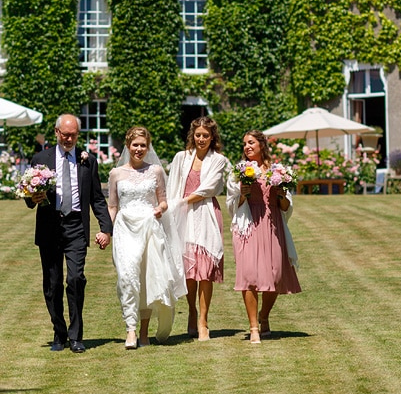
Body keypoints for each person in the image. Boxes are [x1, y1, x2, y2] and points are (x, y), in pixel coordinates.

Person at [24, 114, 113, 353]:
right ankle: (59, 332)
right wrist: (33, 197)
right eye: (65, 134)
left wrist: (106, 228)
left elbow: (96, 197)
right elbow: (28, 196)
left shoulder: (88, 161)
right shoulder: (41, 159)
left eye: (73, 134)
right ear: (56, 132)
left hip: (75, 226)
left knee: (75, 279)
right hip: (50, 226)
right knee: (52, 285)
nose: (69, 138)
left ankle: (76, 336)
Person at [107, 126, 186, 348]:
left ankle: (142, 332)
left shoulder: (156, 171)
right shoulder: (116, 174)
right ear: (128, 146)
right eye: (135, 145)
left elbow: (163, 199)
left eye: (143, 145)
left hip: (150, 227)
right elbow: (112, 206)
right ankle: (130, 328)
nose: (139, 149)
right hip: (125, 229)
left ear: (148, 146)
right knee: (127, 276)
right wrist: (106, 230)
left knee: (147, 278)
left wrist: (161, 208)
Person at [227, 129, 300, 344]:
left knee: (275, 275)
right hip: (249, 225)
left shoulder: (278, 170)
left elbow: (287, 206)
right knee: (249, 276)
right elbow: (232, 205)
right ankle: (253, 327)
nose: (247, 147)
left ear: (261, 145)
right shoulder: (239, 172)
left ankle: (264, 316)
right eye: (244, 144)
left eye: (251, 142)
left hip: (272, 224)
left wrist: (280, 195)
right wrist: (243, 194)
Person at [166, 115, 231, 341]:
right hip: (182, 216)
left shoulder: (219, 160)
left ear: (212, 137)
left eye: (206, 135)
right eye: (198, 135)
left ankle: (203, 319)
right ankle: (191, 311)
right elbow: (172, 185)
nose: (201, 139)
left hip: (205, 214)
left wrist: (182, 202)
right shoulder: (181, 158)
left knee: (205, 271)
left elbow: (209, 188)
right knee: (189, 272)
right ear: (192, 136)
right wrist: (172, 210)